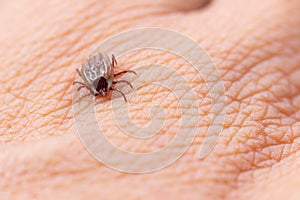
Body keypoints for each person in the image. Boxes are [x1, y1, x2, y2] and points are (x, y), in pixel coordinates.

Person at [0, 0, 299, 199]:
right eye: (100, 91)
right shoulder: (93, 82)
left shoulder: (110, 75)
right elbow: (87, 78)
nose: (106, 93)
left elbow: (103, 71)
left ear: (110, 78)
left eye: (106, 89)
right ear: (94, 86)